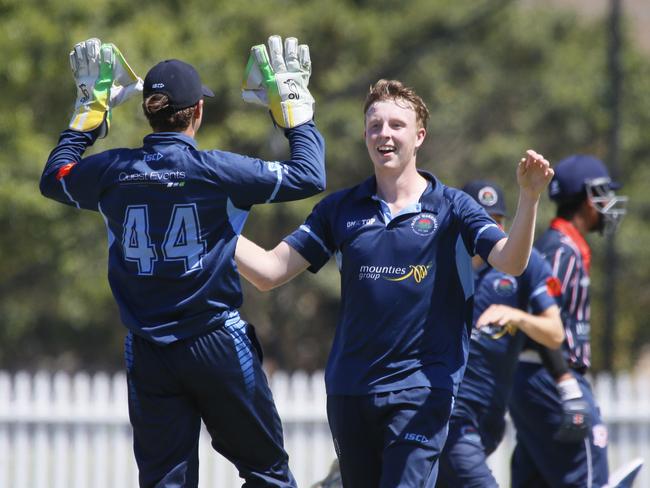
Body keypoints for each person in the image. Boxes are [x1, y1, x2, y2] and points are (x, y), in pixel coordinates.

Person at [235, 79, 554, 487]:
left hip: (421, 391)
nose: (384, 134)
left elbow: (510, 261)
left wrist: (528, 198)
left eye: (397, 126)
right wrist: (207, 221)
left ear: (420, 135)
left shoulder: (452, 207)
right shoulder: (340, 209)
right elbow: (268, 272)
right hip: (350, 392)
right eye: (375, 126)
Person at [40, 36, 324, 487]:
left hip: (148, 348)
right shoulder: (217, 170)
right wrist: (293, 114)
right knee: (267, 474)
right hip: (216, 340)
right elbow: (309, 174)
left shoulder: (112, 171)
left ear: (149, 112)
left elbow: (54, 179)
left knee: (164, 482)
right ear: (197, 112)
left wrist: (87, 116)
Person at [509, 155, 628, 488]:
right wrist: (566, 383)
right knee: (587, 474)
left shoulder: (564, 247)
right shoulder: (561, 250)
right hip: (548, 374)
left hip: (535, 376)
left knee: (535, 479)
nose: (607, 203)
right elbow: (540, 319)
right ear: (587, 198)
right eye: (603, 193)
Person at [436, 181, 564, 488]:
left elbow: (555, 334)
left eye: (497, 221)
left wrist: (518, 317)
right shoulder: (437, 262)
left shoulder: (525, 264)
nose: (490, 229)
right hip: (448, 415)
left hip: (491, 420)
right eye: (482, 219)